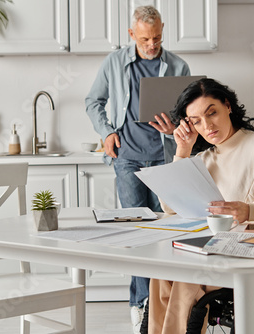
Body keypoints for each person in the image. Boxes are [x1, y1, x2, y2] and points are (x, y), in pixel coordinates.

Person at [147, 78, 254, 334]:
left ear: (227, 106)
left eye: (212, 113)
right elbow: (171, 208)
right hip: (213, 250)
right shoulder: (204, 158)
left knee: (186, 279)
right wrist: (182, 152)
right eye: (196, 121)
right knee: (160, 273)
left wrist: (251, 210)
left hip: (253, 251)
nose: (207, 126)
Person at [84, 5, 191, 333]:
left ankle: (167, 304)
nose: (152, 44)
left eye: (157, 37)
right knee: (138, 233)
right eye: (145, 39)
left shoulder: (178, 65)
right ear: (132, 35)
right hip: (127, 158)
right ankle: (139, 304)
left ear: (163, 30)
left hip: (164, 157)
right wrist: (107, 133)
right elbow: (93, 101)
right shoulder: (114, 63)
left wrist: (175, 126)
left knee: (168, 232)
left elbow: (187, 113)